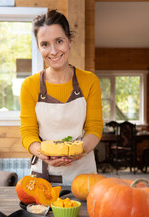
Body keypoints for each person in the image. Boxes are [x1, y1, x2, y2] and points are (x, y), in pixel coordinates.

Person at [20, 9, 103, 185]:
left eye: (59, 41)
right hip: (44, 177)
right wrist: (44, 154)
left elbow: (94, 128)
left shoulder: (89, 81)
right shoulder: (30, 86)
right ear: (38, 46)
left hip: (84, 175)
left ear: (70, 41)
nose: (53, 51)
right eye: (45, 44)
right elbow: (28, 133)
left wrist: (78, 152)